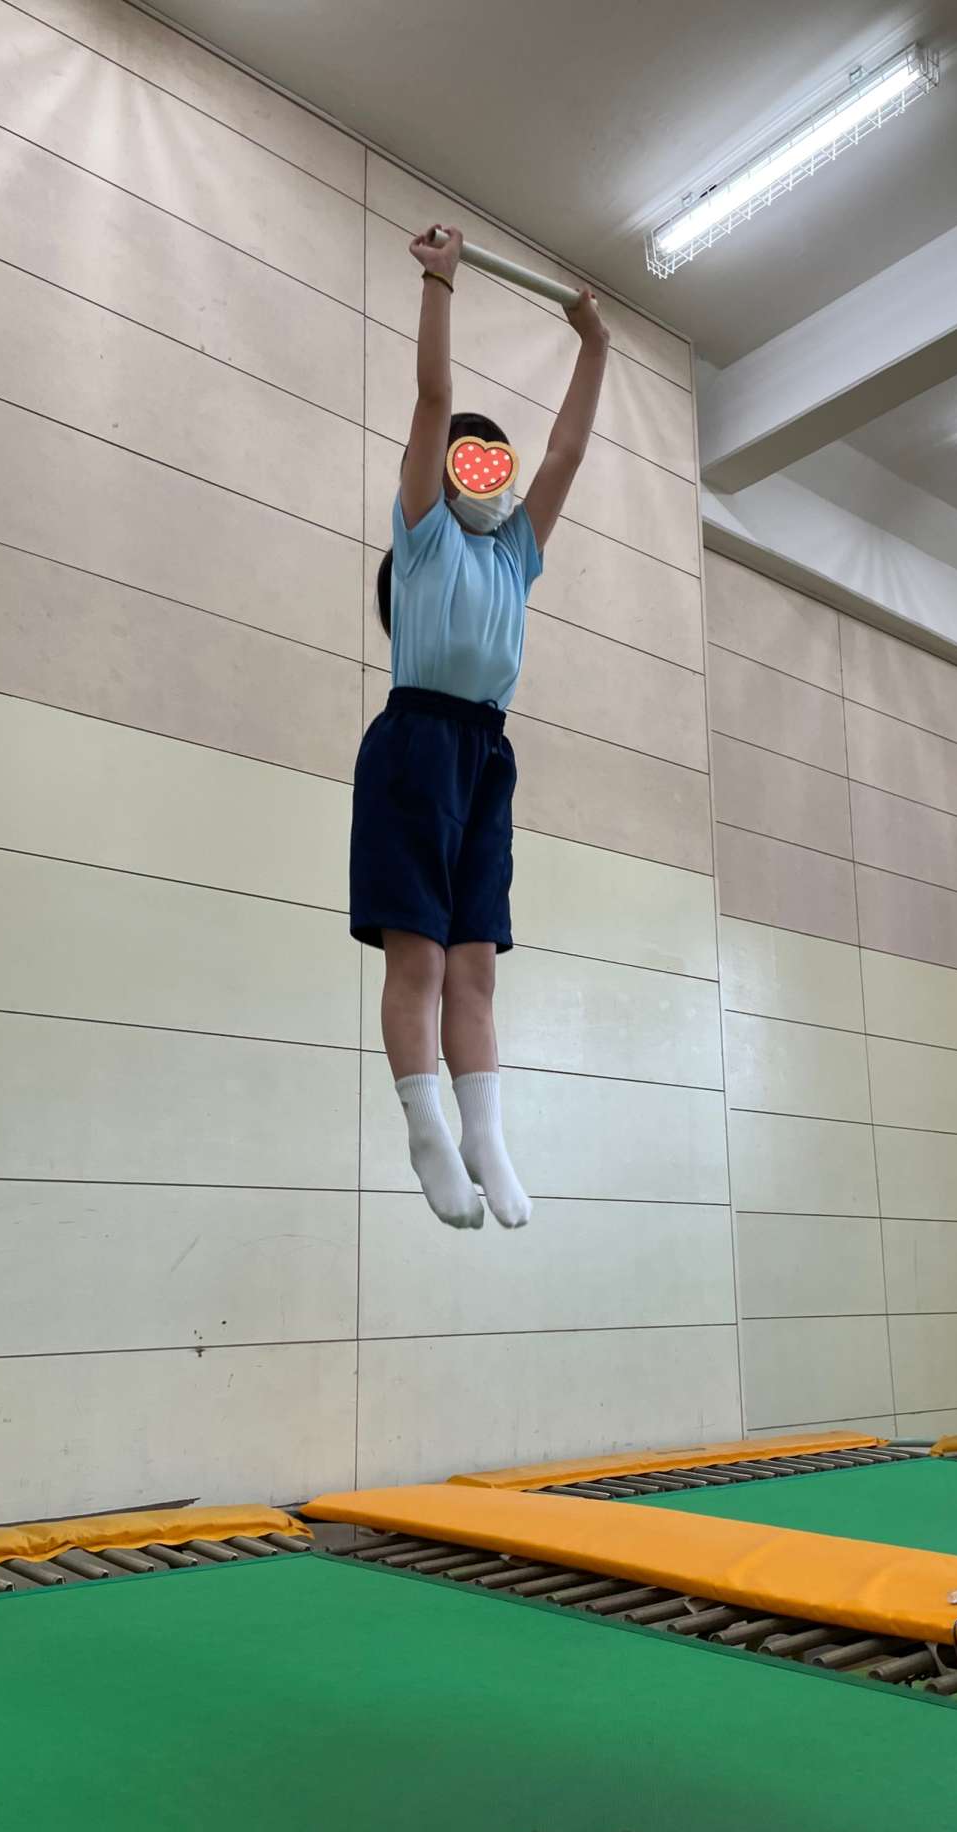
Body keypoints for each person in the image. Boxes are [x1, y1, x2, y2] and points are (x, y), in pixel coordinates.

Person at [350, 222, 609, 1230]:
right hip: (414, 743)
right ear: (448, 473)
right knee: (416, 958)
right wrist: (440, 284)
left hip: (487, 754)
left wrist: (594, 344)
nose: (494, 474)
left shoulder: (516, 555)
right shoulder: (422, 537)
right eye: (474, 459)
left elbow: (569, 449)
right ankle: (427, 1131)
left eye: (498, 461)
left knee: (475, 965)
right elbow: (429, 400)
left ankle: (485, 1132)